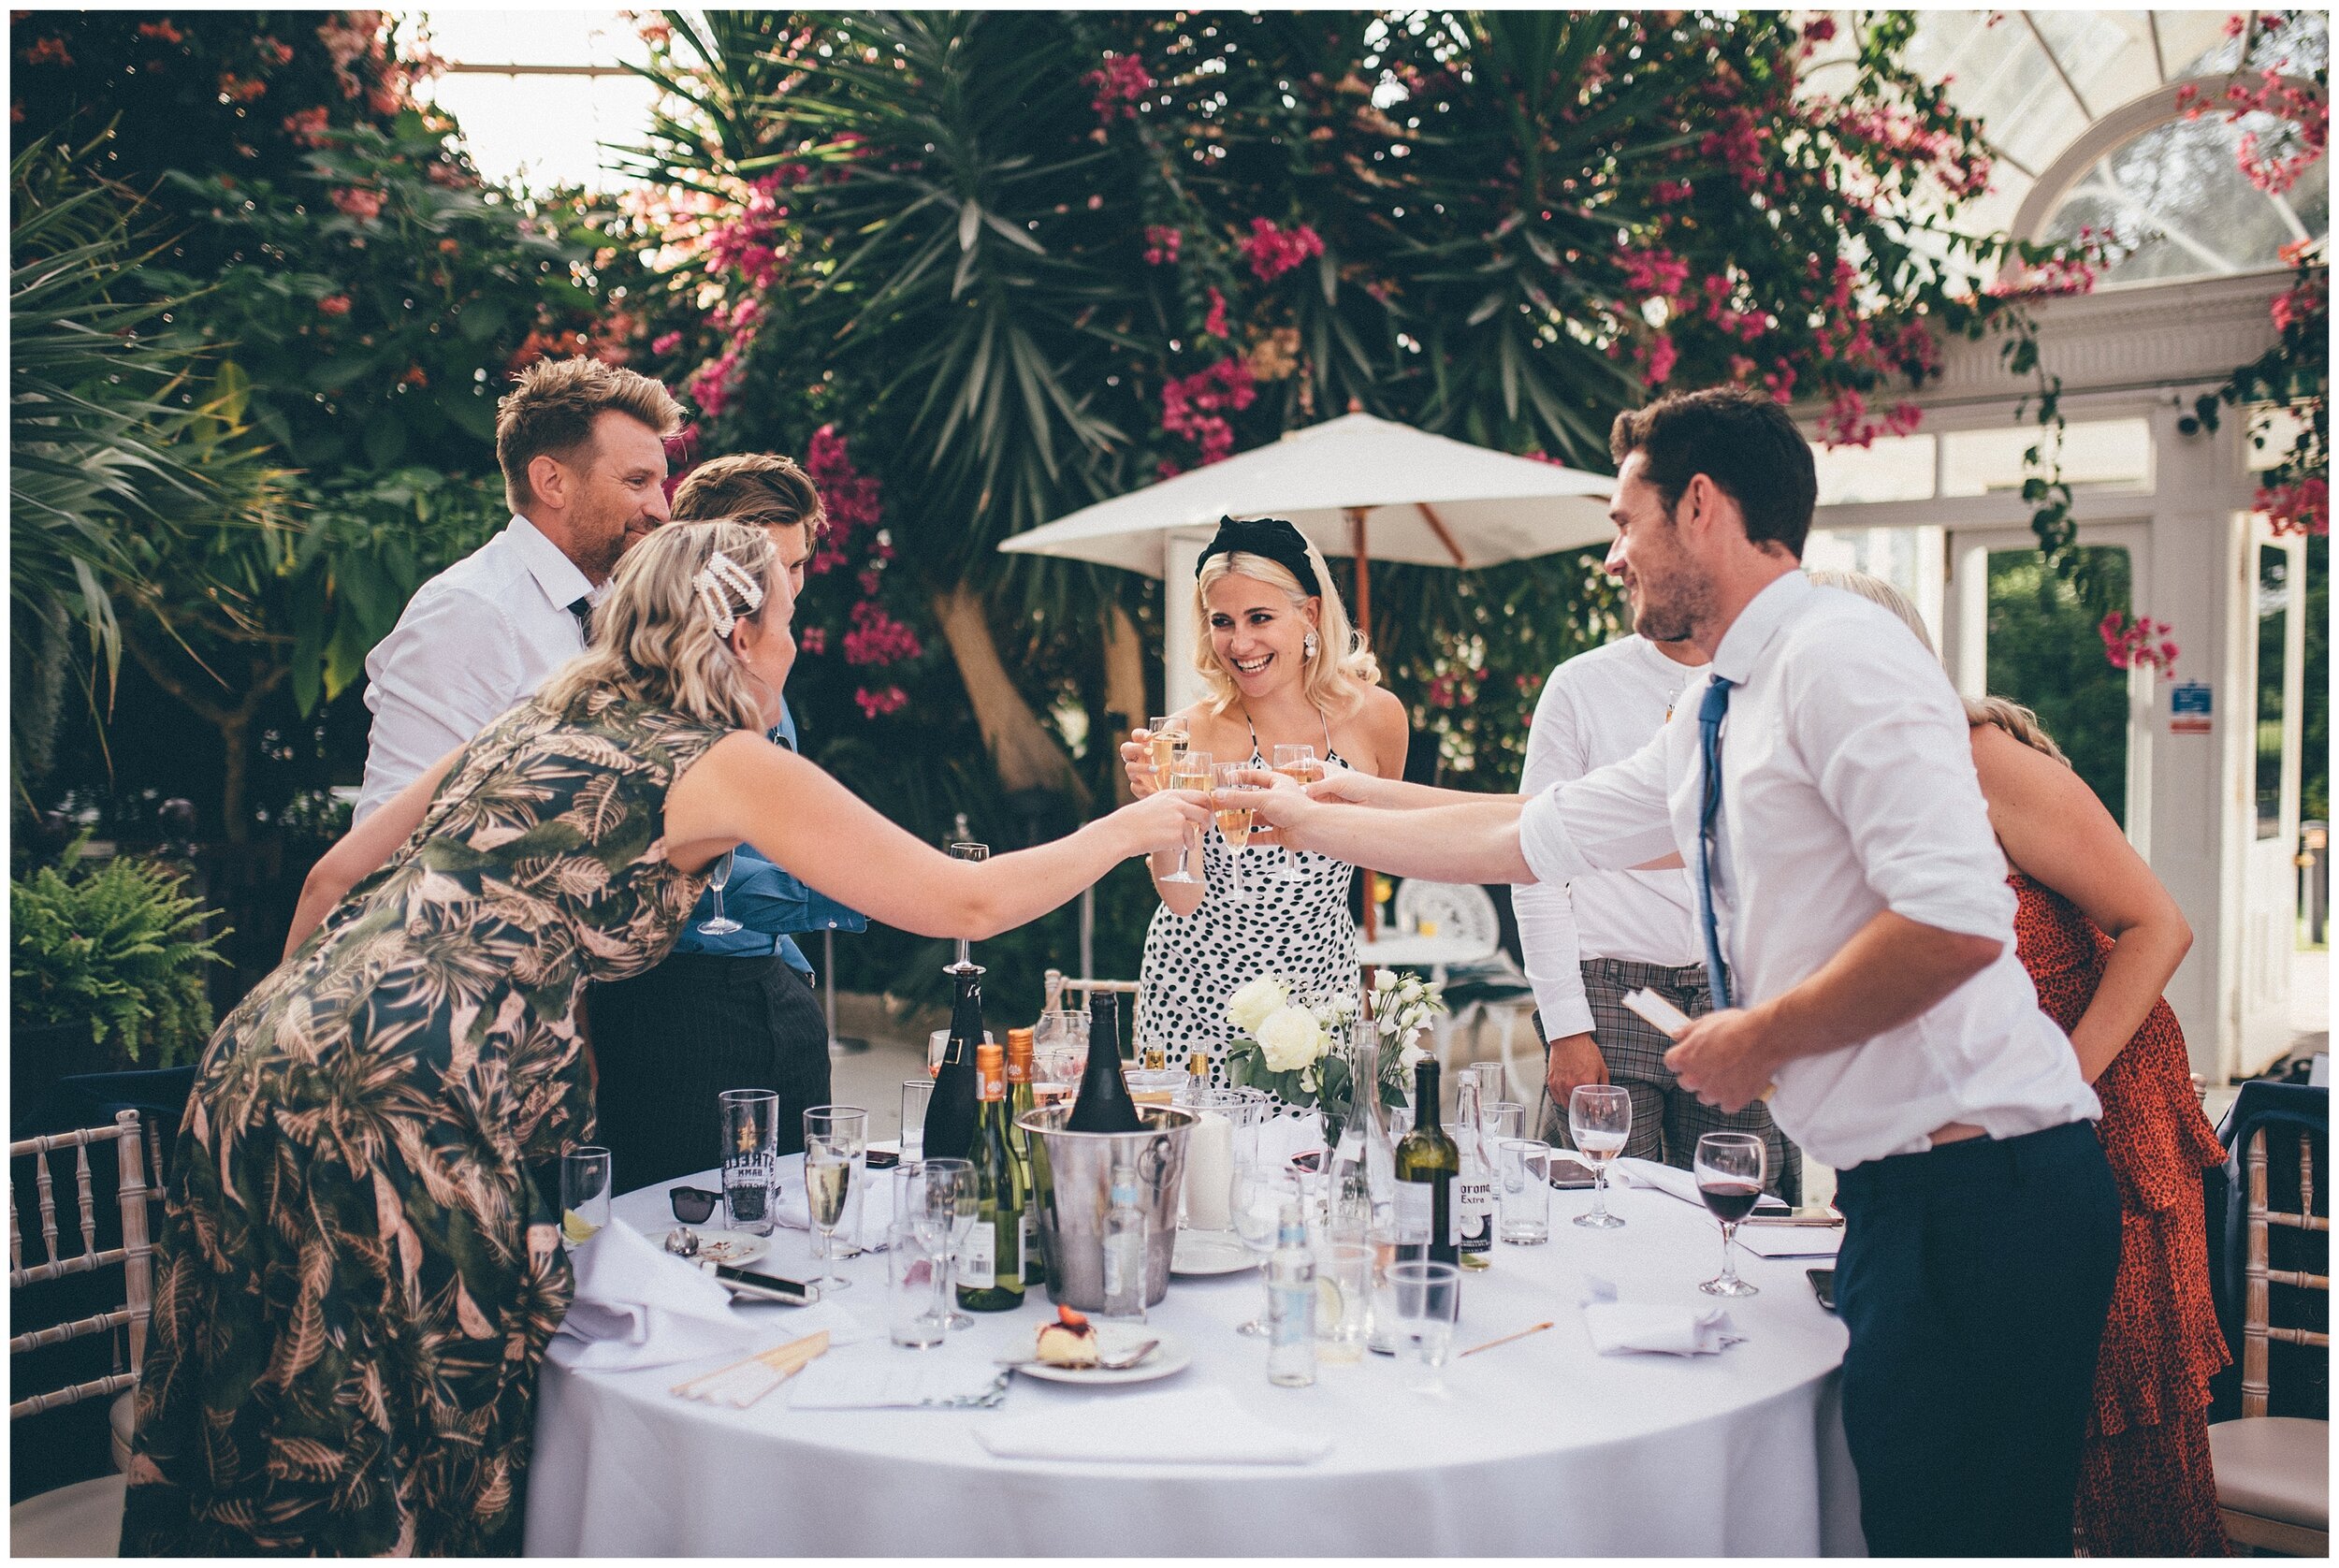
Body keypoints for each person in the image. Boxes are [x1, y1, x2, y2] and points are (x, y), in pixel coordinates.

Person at [121, 521, 1207, 1554]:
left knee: (264, 1407)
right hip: (411, 1092)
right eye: (786, 619)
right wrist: (1130, 827)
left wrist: (298, 1034)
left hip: (262, 1052)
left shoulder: (534, 720)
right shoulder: (722, 759)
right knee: (388, 1429)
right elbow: (961, 901)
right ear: (739, 634)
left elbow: (332, 874)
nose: (793, 645)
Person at [1225, 385, 2119, 1557]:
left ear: (1699, 507)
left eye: (1623, 520)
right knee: (1901, 1523)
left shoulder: (1842, 655)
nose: (1611, 555)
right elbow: (1535, 832)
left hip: (1991, 1191)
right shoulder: (1721, 698)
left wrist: (1764, 1035)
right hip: (1904, 1194)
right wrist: (1324, 809)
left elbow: (1954, 922)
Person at [1814, 570, 2229, 1557]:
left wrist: (2062, 1083)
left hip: (2104, 1137)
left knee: (2125, 1476)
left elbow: (2158, 923)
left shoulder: (1978, 755)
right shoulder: (1864, 780)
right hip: (1995, 1159)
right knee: (2018, 1466)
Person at [586, 453, 866, 1183]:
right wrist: (852, 888)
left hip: (773, 990)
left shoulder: (768, 682)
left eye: (799, 565)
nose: (789, 589)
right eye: (769, 567)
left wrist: (790, 971)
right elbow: (682, 866)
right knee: (692, 1231)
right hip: (671, 1011)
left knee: (804, 1217)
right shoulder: (636, 692)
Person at [1118, 515, 1408, 1084]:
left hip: (1322, 999)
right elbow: (1181, 899)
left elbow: (1387, 845)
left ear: (1311, 615)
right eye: (1222, 622)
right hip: (1194, 1006)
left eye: (1260, 618)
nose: (1240, 643)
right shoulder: (1182, 736)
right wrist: (1162, 816)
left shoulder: (1378, 717)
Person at [1518, 628, 1800, 1202]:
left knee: (1745, 1205)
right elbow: (1533, 863)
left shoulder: (1771, 679)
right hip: (1611, 998)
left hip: (1735, 994)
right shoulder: (1581, 684)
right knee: (1603, 1206)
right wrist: (1567, 1027)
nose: (1619, 563)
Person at [354, 356, 680, 824]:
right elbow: (390, 838)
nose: (661, 510)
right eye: (637, 482)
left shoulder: (614, 606)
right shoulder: (468, 613)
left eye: (660, 484)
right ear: (552, 482)